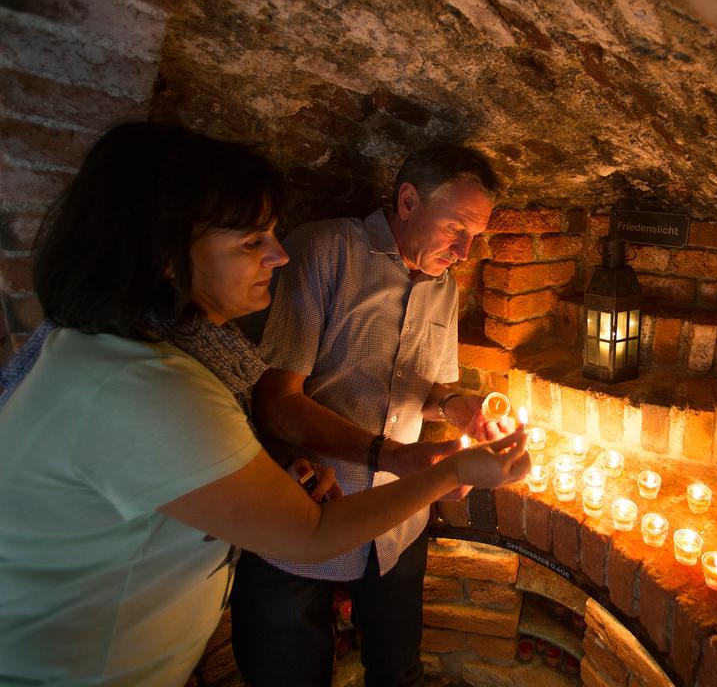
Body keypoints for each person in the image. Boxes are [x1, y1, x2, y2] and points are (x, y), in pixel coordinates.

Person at [0, 124, 529, 687]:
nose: (278, 255)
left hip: (379, 526)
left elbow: (423, 390)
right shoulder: (146, 386)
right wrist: (441, 467)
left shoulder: (149, 359)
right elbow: (306, 520)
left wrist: (456, 406)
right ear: (164, 253)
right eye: (253, 242)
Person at [230, 144, 503, 687]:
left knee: (398, 671)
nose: (466, 250)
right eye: (456, 228)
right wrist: (394, 456)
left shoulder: (443, 286)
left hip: (396, 528)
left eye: (476, 236)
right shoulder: (325, 250)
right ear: (407, 201)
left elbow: (427, 387)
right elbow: (276, 401)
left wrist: (455, 406)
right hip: (305, 514)